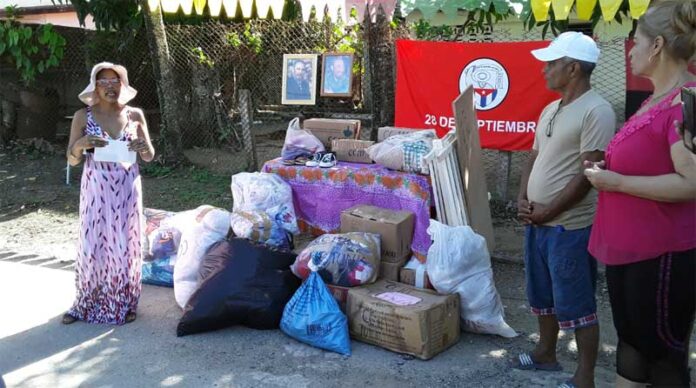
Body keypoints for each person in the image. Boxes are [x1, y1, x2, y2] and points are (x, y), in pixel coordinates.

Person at [583, 2, 696, 386]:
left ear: (658, 45)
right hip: (629, 248)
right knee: (632, 346)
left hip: (661, 254)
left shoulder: (685, 101)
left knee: (661, 354)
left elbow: (692, 182)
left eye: (636, 43)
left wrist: (618, 183)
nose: (629, 51)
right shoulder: (655, 100)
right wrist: (610, 173)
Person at [513, 32, 616, 388]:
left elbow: (588, 175)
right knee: (542, 294)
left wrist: (547, 212)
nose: (544, 70)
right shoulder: (550, 109)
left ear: (572, 69)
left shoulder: (596, 110)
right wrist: (523, 198)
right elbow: (534, 156)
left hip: (569, 227)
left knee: (576, 301)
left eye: (551, 64)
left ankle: (584, 376)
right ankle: (546, 353)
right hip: (538, 223)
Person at [63, 62, 155, 325]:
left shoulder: (134, 115)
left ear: (122, 85)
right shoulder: (84, 116)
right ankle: (85, 302)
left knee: (125, 244)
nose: (110, 86)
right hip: (96, 189)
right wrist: (81, 144)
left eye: (115, 81)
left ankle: (125, 302)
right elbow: (71, 160)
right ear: (95, 86)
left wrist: (142, 145)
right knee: (94, 244)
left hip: (126, 189)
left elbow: (149, 156)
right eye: (103, 81)